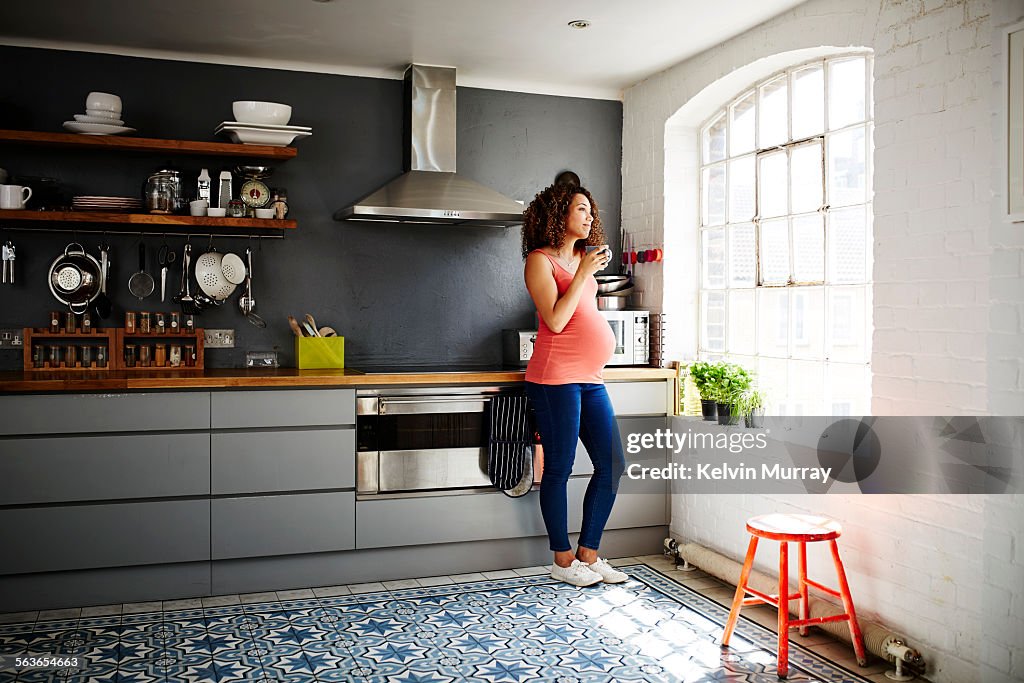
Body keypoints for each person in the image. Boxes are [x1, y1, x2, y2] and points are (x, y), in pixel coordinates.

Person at [521, 182, 628, 587]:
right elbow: (555, 320)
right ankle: (562, 561)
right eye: (581, 209)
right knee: (560, 469)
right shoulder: (540, 260)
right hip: (555, 379)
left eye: (590, 211)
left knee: (613, 464)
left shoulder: (584, 258)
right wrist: (583, 272)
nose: (589, 217)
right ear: (559, 213)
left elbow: (585, 314)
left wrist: (587, 269)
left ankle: (589, 554)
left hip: (589, 379)